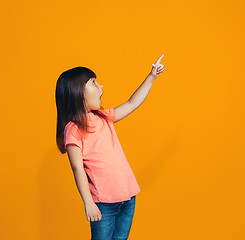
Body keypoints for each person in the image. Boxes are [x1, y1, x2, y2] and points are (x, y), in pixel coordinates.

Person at [55, 54, 165, 240]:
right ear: (76, 91)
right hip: (103, 204)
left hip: (128, 197)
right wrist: (88, 203)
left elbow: (132, 103)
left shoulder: (103, 117)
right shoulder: (72, 129)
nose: (101, 86)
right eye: (93, 82)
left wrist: (151, 76)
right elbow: (77, 169)